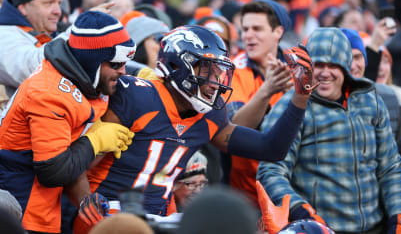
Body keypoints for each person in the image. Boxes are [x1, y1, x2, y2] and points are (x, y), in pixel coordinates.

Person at [83, 24, 315, 220]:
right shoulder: (135, 96)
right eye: (206, 69)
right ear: (176, 65)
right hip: (107, 213)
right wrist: (85, 206)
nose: (215, 82)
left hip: (159, 218)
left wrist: (300, 96)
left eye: (219, 73)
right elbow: (79, 168)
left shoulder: (210, 116)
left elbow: (271, 148)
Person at [258, 27, 401, 233]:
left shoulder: (370, 98)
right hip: (321, 228)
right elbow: (270, 170)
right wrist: (301, 212)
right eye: (318, 65)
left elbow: (390, 166)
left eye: (334, 65)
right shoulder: (292, 106)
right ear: (308, 66)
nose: (324, 72)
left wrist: (400, 216)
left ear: (346, 68)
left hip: (377, 227)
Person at [0, 11, 136, 233]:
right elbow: (53, 171)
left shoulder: (80, 74)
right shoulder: (48, 93)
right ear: (92, 62)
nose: (123, 70)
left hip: (47, 204)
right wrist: (95, 141)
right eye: (117, 63)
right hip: (24, 208)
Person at [226, 0, 293, 207]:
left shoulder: (298, 67)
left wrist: (296, 95)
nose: (248, 35)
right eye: (245, 29)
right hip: (246, 196)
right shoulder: (233, 70)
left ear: (278, 32)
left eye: (257, 28)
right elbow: (235, 129)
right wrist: (267, 90)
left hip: (295, 188)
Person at [341, 28, 401, 140]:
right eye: (347, 58)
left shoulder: (391, 97)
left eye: (357, 57)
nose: (353, 65)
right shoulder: (321, 102)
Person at [0, 0, 62, 98]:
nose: (58, 11)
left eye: (59, 3)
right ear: (23, 7)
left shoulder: (53, 33)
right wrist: (80, 35)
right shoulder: (3, 35)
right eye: (48, 3)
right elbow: (33, 70)